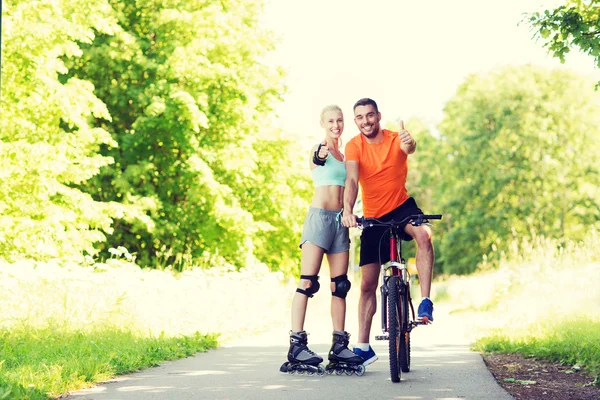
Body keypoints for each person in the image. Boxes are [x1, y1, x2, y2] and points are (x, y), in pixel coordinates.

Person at [341, 98, 436, 366]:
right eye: (359, 117)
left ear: (378, 116)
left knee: (424, 235)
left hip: (401, 207)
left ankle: (426, 301)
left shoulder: (396, 139)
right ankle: (362, 346)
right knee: (368, 283)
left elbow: (410, 147)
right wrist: (348, 210)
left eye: (369, 116)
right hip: (373, 215)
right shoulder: (353, 146)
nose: (365, 121)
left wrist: (410, 143)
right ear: (356, 120)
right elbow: (351, 180)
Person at [280, 105, 364, 375]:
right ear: (322, 123)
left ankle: (339, 345)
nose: (336, 125)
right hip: (318, 220)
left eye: (339, 120)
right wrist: (319, 153)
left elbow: (352, 183)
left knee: (340, 286)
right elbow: (316, 160)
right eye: (331, 121)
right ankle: (296, 345)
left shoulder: (346, 155)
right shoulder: (320, 151)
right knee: (307, 282)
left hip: (341, 222)